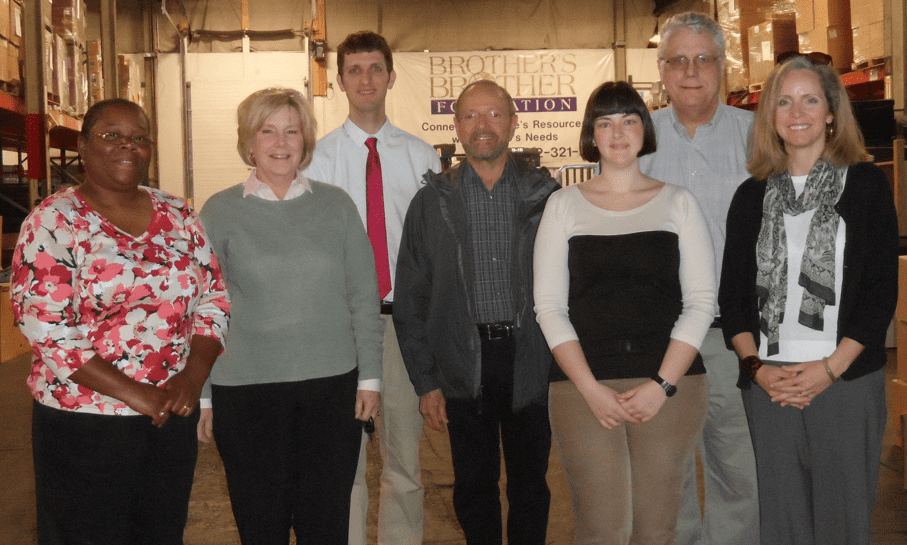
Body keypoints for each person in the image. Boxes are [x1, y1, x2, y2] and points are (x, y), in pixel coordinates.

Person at [11, 98, 230, 544]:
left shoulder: (179, 216)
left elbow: (214, 299)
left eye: (139, 138)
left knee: (160, 532)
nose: (127, 146)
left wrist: (191, 378)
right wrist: (137, 395)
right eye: (111, 135)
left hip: (169, 415)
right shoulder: (54, 221)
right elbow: (48, 330)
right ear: (84, 147)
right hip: (84, 424)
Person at [719, 55, 898, 545]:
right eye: (784, 100)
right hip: (769, 384)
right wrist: (757, 368)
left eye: (810, 99)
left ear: (831, 112)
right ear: (771, 117)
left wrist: (830, 369)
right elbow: (732, 299)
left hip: (845, 383)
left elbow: (881, 293)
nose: (797, 111)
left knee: (843, 525)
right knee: (782, 526)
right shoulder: (750, 197)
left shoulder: (865, 186)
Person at [197, 88, 384, 544]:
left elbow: (364, 295)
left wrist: (371, 380)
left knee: (326, 524)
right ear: (250, 140)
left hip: (331, 390)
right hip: (245, 393)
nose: (281, 143)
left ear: (305, 140)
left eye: (292, 131)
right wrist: (203, 396)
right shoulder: (218, 211)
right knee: (261, 524)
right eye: (268, 131)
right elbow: (202, 307)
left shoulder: (336, 205)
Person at [534, 81, 714, 544]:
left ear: (645, 130)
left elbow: (700, 303)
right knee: (603, 530)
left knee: (656, 530)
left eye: (629, 120)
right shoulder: (563, 206)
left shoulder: (679, 203)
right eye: (605, 122)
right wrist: (590, 388)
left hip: (670, 386)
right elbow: (549, 308)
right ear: (591, 134)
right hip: (582, 388)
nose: (618, 133)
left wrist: (662, 385)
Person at [394, 79, 558, 545]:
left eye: (493, 114)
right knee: (473, 485)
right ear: (456, 127)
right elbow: (411, 298)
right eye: (470, 115)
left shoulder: (548, 197)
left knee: (531, 484)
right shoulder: (431, 203)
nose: (482, 125)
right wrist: (426, 382)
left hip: (530, 359)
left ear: (513, 122)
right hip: (463, 365)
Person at [303, 30, 441, 545]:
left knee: (404, 458)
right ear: (339, 81)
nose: (365, 79)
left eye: (375, 68)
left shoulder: (422, 156)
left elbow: (433, 249)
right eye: (355, 70)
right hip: (340, 326)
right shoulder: (315, 161)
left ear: (390, 76)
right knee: (345, 459)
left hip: (402, 326)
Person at [637, 12, 760, 544]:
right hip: (660, 336)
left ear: (722, 69)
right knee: (669, 473)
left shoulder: (758, 138)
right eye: (678, 59)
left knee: (741, 469)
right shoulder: (636, 138)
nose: (691, 70)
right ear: (662, 70)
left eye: (703, 58)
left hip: (734, 336)